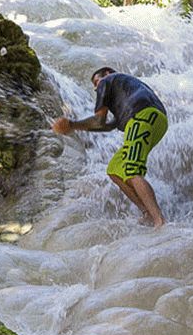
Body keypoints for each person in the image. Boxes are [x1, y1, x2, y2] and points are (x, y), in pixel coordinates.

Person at [52, 67, 169, 228]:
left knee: (132, 170)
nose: (96, 88)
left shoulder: (108, 80)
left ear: (107, 74)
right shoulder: (128, 92)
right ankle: (147, 213)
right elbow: (107, 126)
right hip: (154, 120)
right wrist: (74, 127)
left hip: (142, 118)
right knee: (115, 170)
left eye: (96, 82)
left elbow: (99, 120)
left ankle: (159, 221)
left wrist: (71, 125)